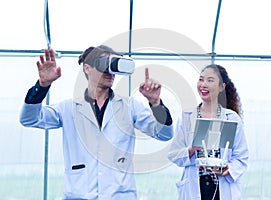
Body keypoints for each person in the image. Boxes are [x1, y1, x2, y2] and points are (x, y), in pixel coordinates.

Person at [19, 45, 174, 199]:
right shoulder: (68, 108)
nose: (109, 70)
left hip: (120, 195)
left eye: (113, 64)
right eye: (103, 63)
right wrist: (42, 86)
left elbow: (164, 134)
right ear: (87, 68)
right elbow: (29, 119)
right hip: (79, 195)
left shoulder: (129, 107)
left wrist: (155, 103)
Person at [168, 64, 249, 200]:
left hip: (222, 188)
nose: (203, 85)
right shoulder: (187, 117)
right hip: (195, 187)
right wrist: (191, 149)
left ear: (221, 87)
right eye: (201, 79)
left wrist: (228, 170)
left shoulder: (232, 118)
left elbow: (241, 157)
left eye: (210, 80)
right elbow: (174, 155)